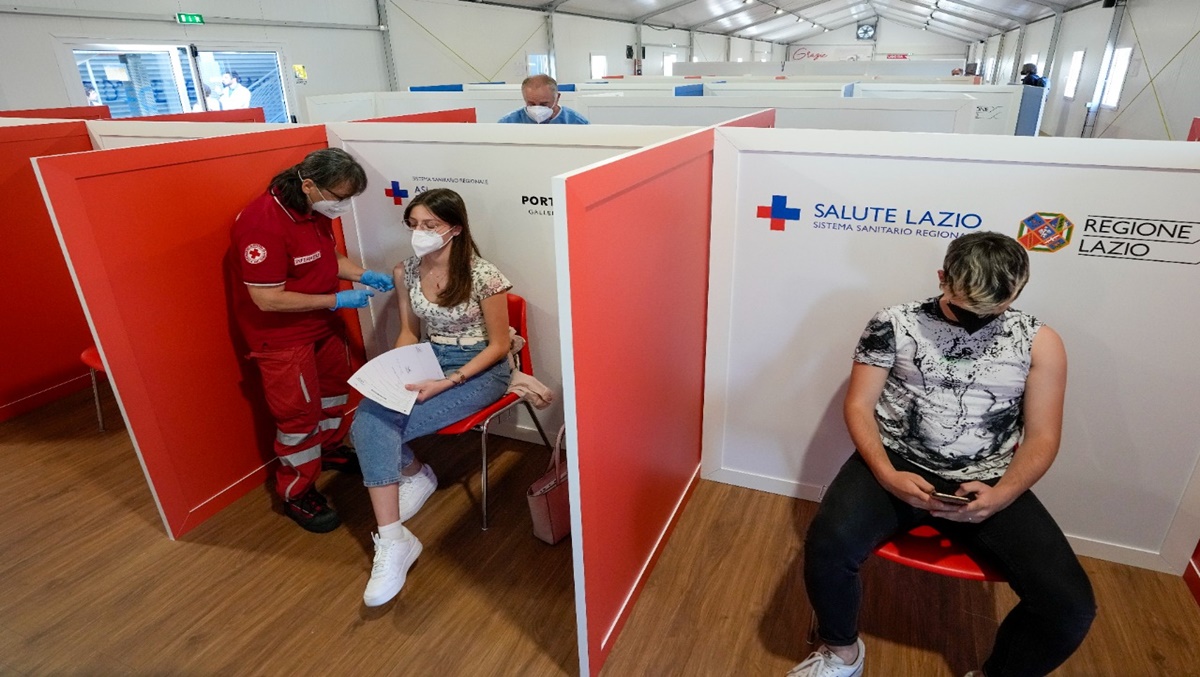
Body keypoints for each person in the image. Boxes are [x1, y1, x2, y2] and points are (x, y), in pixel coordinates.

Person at [792, 232, 1095, 677]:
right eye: (967, 306)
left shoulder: (1040, 341)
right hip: (897, 460)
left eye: (994, 309)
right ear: (942, 278)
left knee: (1069, 606)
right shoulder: (893, 322)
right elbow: (859, 406)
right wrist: (885, 473)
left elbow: (1043, 436)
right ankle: (842, 653)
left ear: (1017, 292)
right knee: (827, 546)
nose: (978, 320)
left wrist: (1002, 495)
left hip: (988, 475)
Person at [350, 188, 513, 607]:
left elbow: (499, 346)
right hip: (430, 358)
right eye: (414, 225)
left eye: (430, 225)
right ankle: (395, 535)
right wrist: (397, 372)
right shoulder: (405, 270)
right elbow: (410, 332)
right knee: (367, 417)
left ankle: (408, 499)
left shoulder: (483, 275)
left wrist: (450, 380)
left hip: (480, 369)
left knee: (379, 426)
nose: (419, 232)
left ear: (454, 229)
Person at [229, 148, 396, 533]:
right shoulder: (261, 224)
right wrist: (335, 300)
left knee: (335, 393)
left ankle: (330, 449)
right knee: (298, 418)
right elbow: (266, 299)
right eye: (340, 198)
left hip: (322, 325)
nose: (343, 206)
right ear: (308, 185)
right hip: (283, 339)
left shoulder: (312, 210)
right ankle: (297, 492)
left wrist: (363, 275)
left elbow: (327, 257)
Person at [497, 74, 589, 125]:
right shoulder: (508, 123)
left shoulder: (576, 123)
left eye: (544, 104)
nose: (537, 109)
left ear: (557, 98)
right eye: (531, 104)